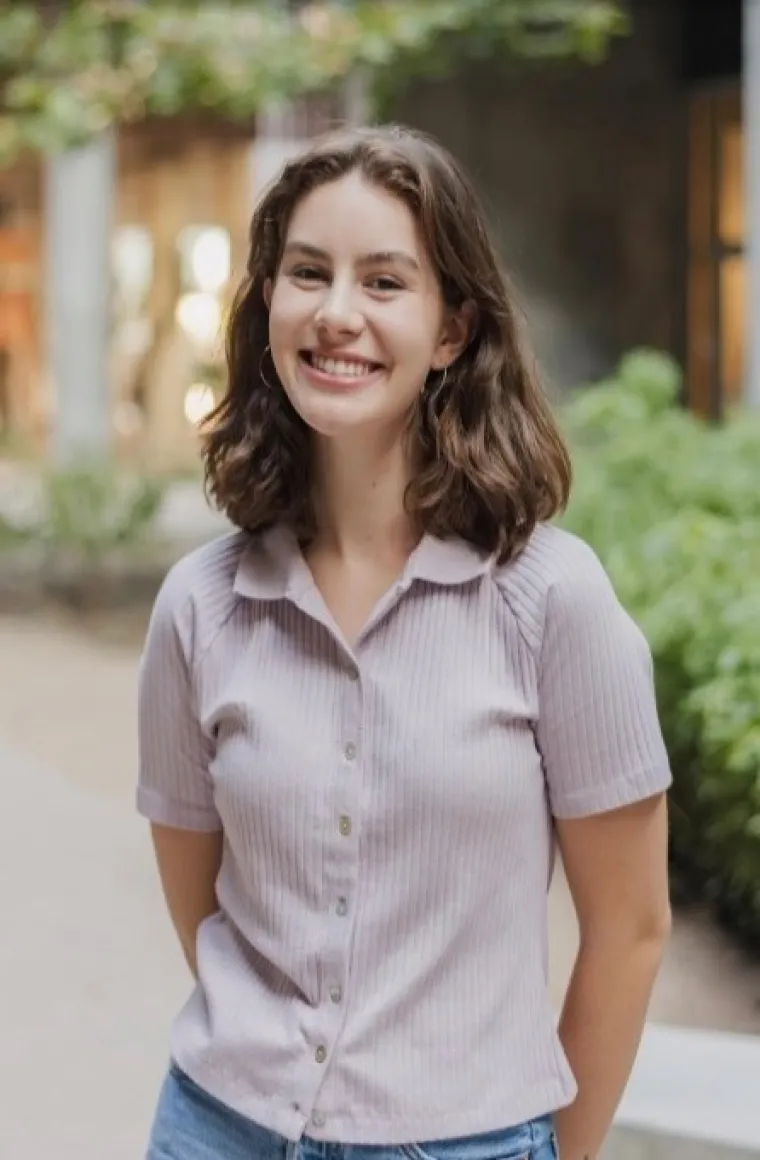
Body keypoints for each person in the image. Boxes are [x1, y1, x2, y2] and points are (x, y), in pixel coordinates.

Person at [137, 124, 672, 1160]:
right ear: (268, 307)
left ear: (451, 330)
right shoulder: (200, 606)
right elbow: (203, 906)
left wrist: (557, 1149)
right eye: (307, 273)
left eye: (385, 281)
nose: (337, 314)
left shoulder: (553, 601)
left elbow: (631, 928)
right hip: (216, 1126)